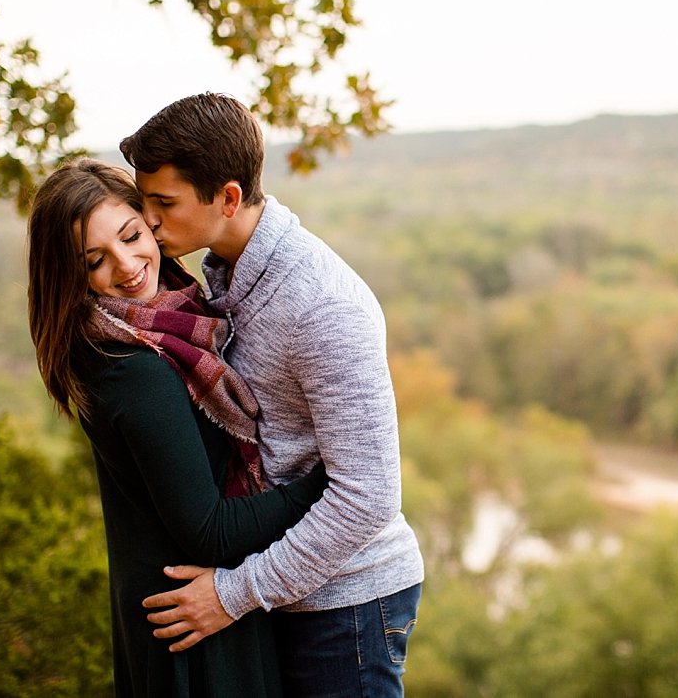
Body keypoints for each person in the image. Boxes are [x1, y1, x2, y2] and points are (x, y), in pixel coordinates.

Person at [124, 93, 424, 698]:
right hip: (288, 592)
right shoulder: (225, 272)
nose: (150, 223)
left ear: (228, 198)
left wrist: (233, 595)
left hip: (349, 605)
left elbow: (369, 498)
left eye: (164, 203)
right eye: (143, 201)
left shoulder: (320, 304)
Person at [26, 158, 330, 698]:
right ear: (70, 276)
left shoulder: (150, 332)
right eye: (96, 260)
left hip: (187, 609)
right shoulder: (134, 367)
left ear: (151, 221)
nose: (126, 266)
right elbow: (207, 529)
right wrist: (323, 481)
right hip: (194, 623)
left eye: (131, 235)